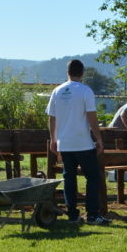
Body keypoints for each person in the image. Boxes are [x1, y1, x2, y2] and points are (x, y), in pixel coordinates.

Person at [47, 59, 109, 225]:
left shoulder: (57, 91)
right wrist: (99, 139)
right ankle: (92, 215)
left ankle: (73, 215)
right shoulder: (85, 91)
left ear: (67, 72)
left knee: (69, 179)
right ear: (82, 73)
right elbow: (92, 117)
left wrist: (53, 139)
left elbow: (52, 117)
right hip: (82, 143)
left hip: (64, 144)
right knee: (93, 177)